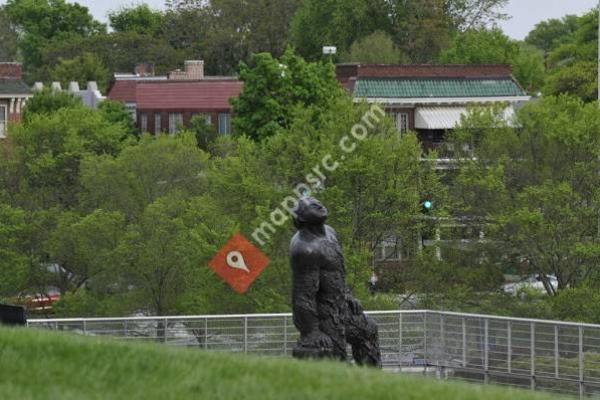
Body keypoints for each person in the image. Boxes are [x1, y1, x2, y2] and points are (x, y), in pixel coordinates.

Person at [290, 197, 381, 367]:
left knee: (369, 330)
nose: (316, 203)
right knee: (337, 358)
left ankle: (373, 382)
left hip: (340, 306)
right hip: (322, 316)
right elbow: (302, 297)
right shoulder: (304, 249)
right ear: (301, 218)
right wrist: (312, 332)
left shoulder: (330, 233)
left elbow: (336, 272)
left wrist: (348, 296)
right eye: (309, 204)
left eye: (315, 200)